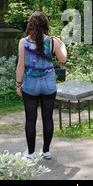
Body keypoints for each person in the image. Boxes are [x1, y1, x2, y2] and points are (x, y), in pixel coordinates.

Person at [16, 12, 67, 159]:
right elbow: (63, 59)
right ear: (46, 25)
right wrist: (62, 45)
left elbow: (20, 66)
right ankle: (46, 151)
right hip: (48, 84)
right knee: (48, 118)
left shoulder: (23, 42)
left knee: (30, 119)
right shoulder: (52, 41)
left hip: (30, 84)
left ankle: (31, 153)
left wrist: (18, 84)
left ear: (30, 24)